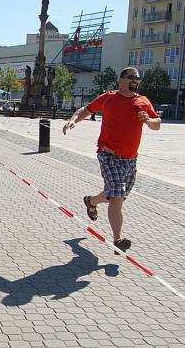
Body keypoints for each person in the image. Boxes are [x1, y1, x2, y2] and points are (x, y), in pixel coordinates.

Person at [63, 66, 161, 255]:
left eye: (137, 78)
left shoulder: (142, 101)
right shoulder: (109, 98)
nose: (135, 80)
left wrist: (149, 120)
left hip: (131, 159)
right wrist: (74, 120)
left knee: (114, 195)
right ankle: (118, 240)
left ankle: (91, 201)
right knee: (116, 196)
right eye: (131, 77)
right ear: (121, 80)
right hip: (109, 155)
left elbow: (157, 124)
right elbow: (86, 109)